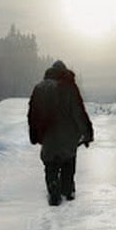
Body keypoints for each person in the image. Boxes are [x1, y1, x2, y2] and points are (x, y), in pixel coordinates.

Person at [28, 60, 94, 206]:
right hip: (69, 137)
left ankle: (53, 188)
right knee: (68, 164)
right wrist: (87, 133)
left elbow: (32, 113)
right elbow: (78, 112)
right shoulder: (69, 86)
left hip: (48, 136)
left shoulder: (39, 88)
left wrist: (34, 133)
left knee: (50, 164)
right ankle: (67, 190)